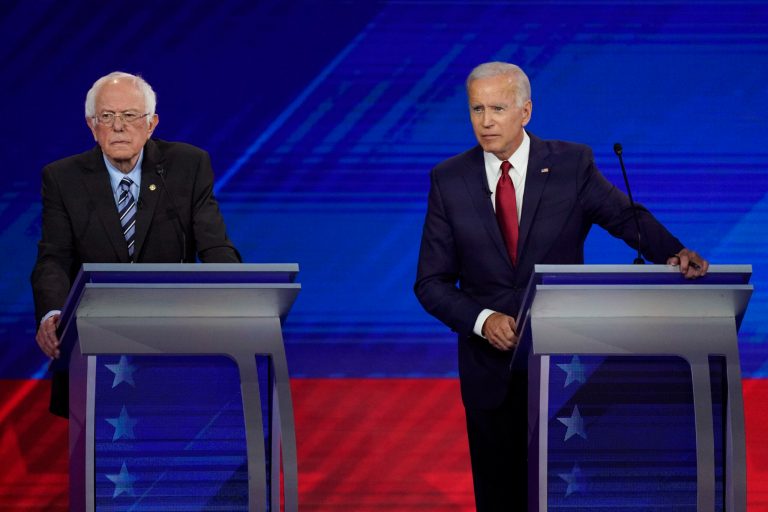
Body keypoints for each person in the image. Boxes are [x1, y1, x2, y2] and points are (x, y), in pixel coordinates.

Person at [413, 62, 708, 511]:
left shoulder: (571, 165)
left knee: (568, 495)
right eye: (476, 109)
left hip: (563, 368)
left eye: (497, 108)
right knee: (499, 498)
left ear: (525, 111)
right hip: (489, 374)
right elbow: (430, 282)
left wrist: (675, 251)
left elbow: (626, 219)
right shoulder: (449, 180)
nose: (486, 121)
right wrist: (483, 319)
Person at [31, 71, 241, 418]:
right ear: (91, 125)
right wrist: (53, 315)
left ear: (151, 123)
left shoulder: (187, 166)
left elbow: (215, 245)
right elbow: (53, 259)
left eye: (129, 116)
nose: (118, 127)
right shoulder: (62, 178)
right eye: (107, 117)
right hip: (93, 344)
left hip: (174, 341)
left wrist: (235, 297)